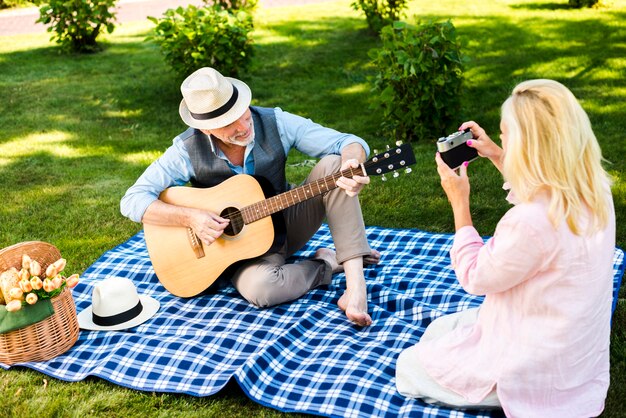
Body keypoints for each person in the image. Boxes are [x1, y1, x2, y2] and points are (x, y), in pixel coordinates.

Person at [396, 79, 615, 416]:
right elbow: (541, 189)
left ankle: (498, 393)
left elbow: (474, 276)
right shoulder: (594, 186)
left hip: (537, 370)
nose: (501, 140)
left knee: (408, 366)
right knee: (441, 329)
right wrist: (497, 155)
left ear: (530, 145)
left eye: (505, 135)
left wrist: (459, 201)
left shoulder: (527, 222)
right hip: (575, 351)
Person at [120, 67, 380, 326]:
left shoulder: (275, 122)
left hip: (286, 225)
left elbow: (347, 142)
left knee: (335, 167)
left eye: (243, 115)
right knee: (262, 290)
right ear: (207, 129)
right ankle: (327, 262)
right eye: (229, 123)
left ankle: (355, 288)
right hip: (234, 253)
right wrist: (191, 218)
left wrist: (351, 162)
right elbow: (132, 199)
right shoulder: (186, 150)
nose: (243, 127)